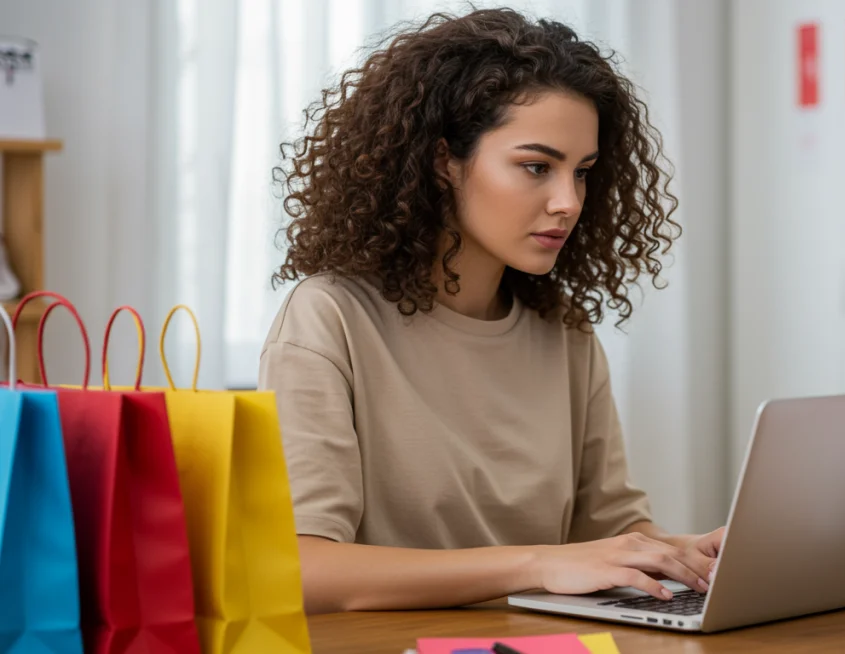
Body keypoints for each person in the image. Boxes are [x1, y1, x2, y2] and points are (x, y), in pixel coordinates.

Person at [259, 7, 724, 615]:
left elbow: (607, 529)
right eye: (537, 167)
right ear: (443, 161)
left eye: (582, 173)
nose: (568, 202)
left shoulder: (563, 332)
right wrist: (536, 564)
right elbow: (302, 569)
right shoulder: (330, 318)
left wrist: (686, 553)